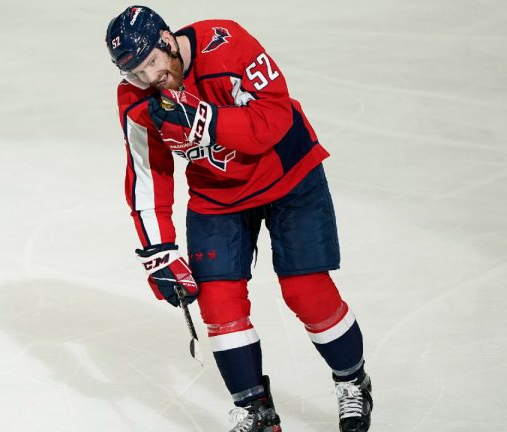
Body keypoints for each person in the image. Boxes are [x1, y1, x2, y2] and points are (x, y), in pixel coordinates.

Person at [104, 5, 373, 432]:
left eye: (152, 63)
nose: (148, 79)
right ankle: (255, 411)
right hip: (218, 195)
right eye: (134, 73)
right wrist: (159, 251)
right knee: (218, 303)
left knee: (306, 291)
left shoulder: (224, 43)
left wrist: (207, 123)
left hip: (288, 174)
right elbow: (147, 173)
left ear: (167, 40)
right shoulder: (136, 98)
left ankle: (352, 380)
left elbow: (275, 118)